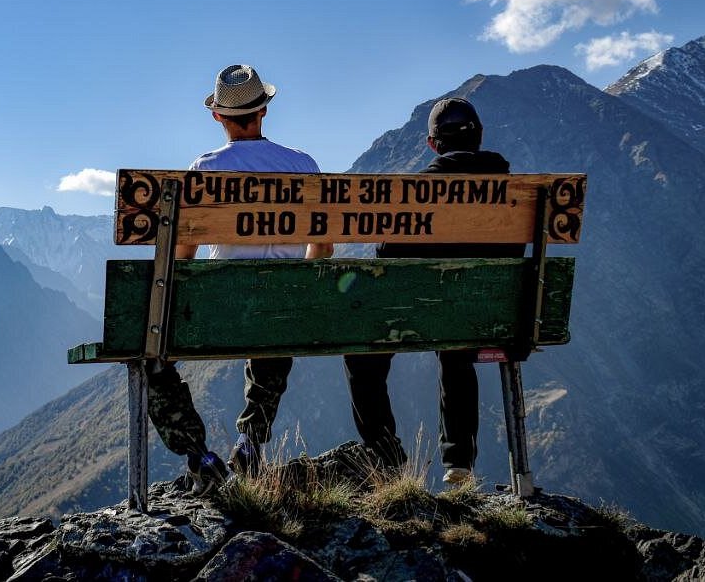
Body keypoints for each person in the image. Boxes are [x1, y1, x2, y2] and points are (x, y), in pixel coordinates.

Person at [146, 63, 332, 494]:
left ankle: (200, 455)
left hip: (219, 313)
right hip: (280, 312)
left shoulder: (205, 168)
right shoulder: (304, 165)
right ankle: (249, 442)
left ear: (217, 116)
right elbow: (322, 249)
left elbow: (183, 254)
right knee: (277, 321)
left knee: (152, 357)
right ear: (264, 110)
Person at [348, 96, 523, 485]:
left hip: (424, 312)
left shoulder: (419, 193)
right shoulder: (518, 194)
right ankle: (458, 463)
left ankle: (388, 459)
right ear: (479, 136)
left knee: (361, 354)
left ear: (432, 144)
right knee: (457, 345)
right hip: (493, 316)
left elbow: (386, 256)